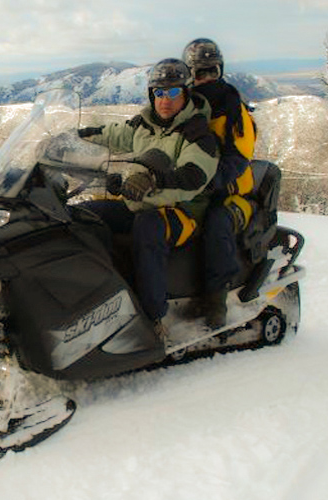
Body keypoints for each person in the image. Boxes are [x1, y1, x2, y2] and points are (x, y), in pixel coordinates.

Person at [78, 58, 219, 339]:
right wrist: (74, 137)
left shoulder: (198, 134)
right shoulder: (144, 125)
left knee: (148, 228)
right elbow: (113, 134)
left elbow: (192, 178)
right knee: (85, 215)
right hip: (140, 203)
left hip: (183, 211)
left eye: (173, 92)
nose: (165, 100)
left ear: (186, 93)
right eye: (159, 93)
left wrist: (153, 181)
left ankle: (152, 319)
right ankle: (103, 293)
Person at [182, 38, 257, 329]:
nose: (206, 79)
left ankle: (216, 300)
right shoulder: (184, 107)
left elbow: (238, 158)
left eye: (211, 72)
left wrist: (208, 182)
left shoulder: (233, 109)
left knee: (216, 224)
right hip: (191, 189)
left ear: (220, 70)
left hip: (232, 196)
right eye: (200, 73)